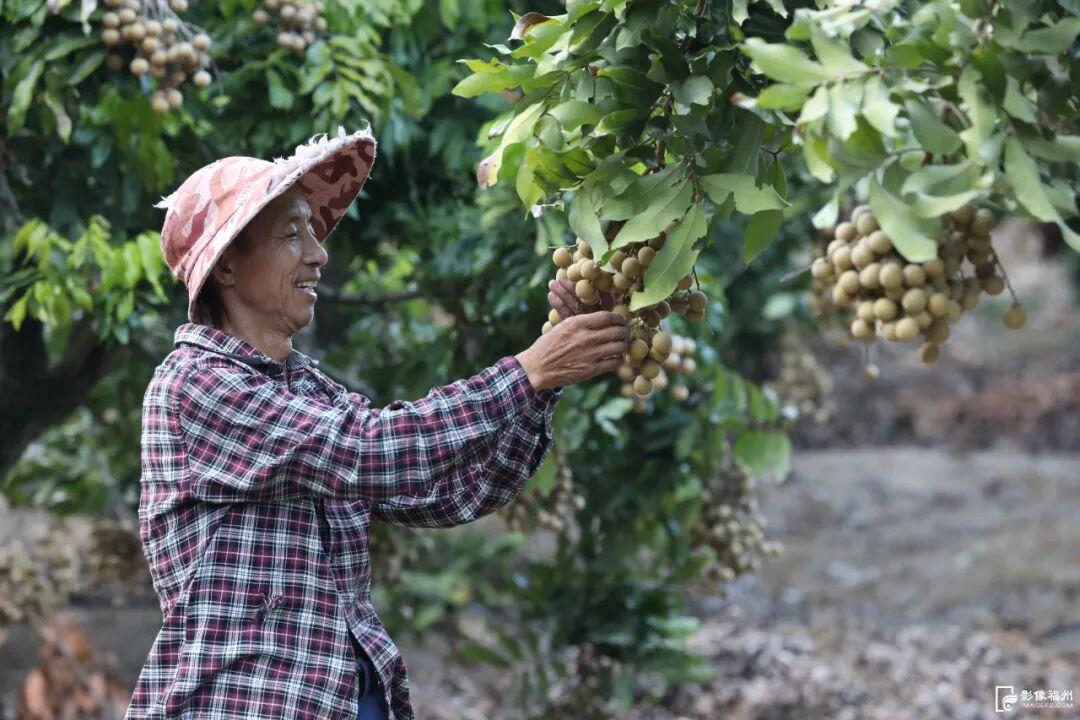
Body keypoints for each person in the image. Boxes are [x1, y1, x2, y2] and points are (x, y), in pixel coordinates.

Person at [125, 127, 629, 720]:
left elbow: (451, 492)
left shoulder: (307, 392)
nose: (318, 253)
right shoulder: (195, 383)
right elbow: (373, 450)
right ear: (228, 269)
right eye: (292, 234)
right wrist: (528, 373)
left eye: (312, 230)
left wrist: (549, 379)